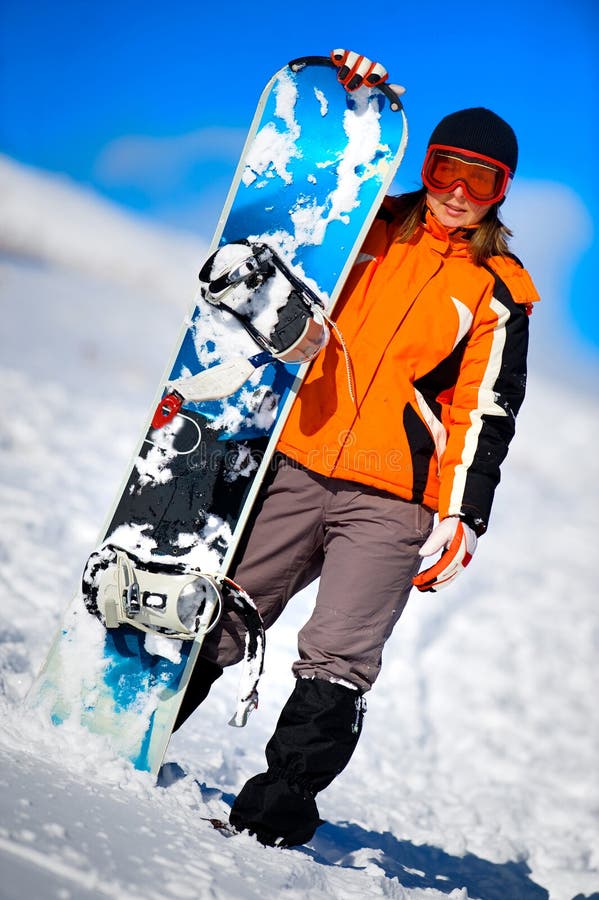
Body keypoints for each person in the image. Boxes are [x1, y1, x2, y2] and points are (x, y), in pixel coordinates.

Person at [174, 48, 540, 847]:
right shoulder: (364, 227)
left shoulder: (499, 288)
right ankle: (135, 732)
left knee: (338, 657)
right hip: (297, 459)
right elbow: (306, 201)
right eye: (446, 168)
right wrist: (352, 106)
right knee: (227, 614)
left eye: (480, 181)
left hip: (392, 500)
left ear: (501, 191)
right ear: (427, 164)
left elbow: (485, 411)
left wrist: (462, 514)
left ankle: (272, 817)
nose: (456, 193)